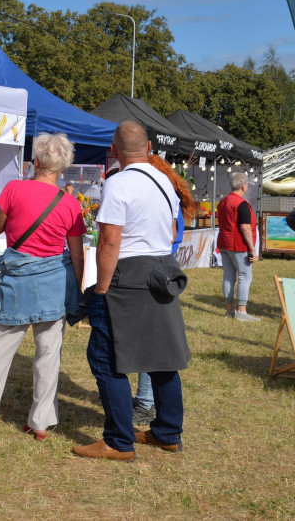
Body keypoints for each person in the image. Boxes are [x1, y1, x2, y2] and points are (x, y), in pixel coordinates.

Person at [0, 133, 85, 440]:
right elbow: (77, 255)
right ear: (63, 168)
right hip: (54, 285)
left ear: (36, 161)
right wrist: (77, 291)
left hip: (16, 283)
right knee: (49, 355)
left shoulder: (14, 189)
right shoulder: (70, 204)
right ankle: (40, 424)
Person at [73, 121, 189, 461]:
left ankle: (118, 441)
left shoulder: (118, 183)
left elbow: (110, 241)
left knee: (104, 358)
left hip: (128, 276)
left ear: (114, 151)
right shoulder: (165, 181)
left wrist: (101, 289)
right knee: (162, 358)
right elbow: (169, 232)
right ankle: (167, 433)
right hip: (162, 269)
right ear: (149, 146)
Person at [131, 154, 199, 428]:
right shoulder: (170, 197)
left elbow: (170, 237)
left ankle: (147, 403)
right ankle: (148, 402)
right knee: (155, 346)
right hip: (163, 275)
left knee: (152, 347)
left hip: (154, 276)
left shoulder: (163, 199)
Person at [216, 172, 260, 322]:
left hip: (224, 243)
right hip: (238, 245)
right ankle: (242, 311)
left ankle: (230, 309)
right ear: (243, 186)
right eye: (247, 184)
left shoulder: (222, 201)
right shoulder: (241, 204)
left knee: (228, 276)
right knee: (244, 276)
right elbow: (245, 228)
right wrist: (252, 250)